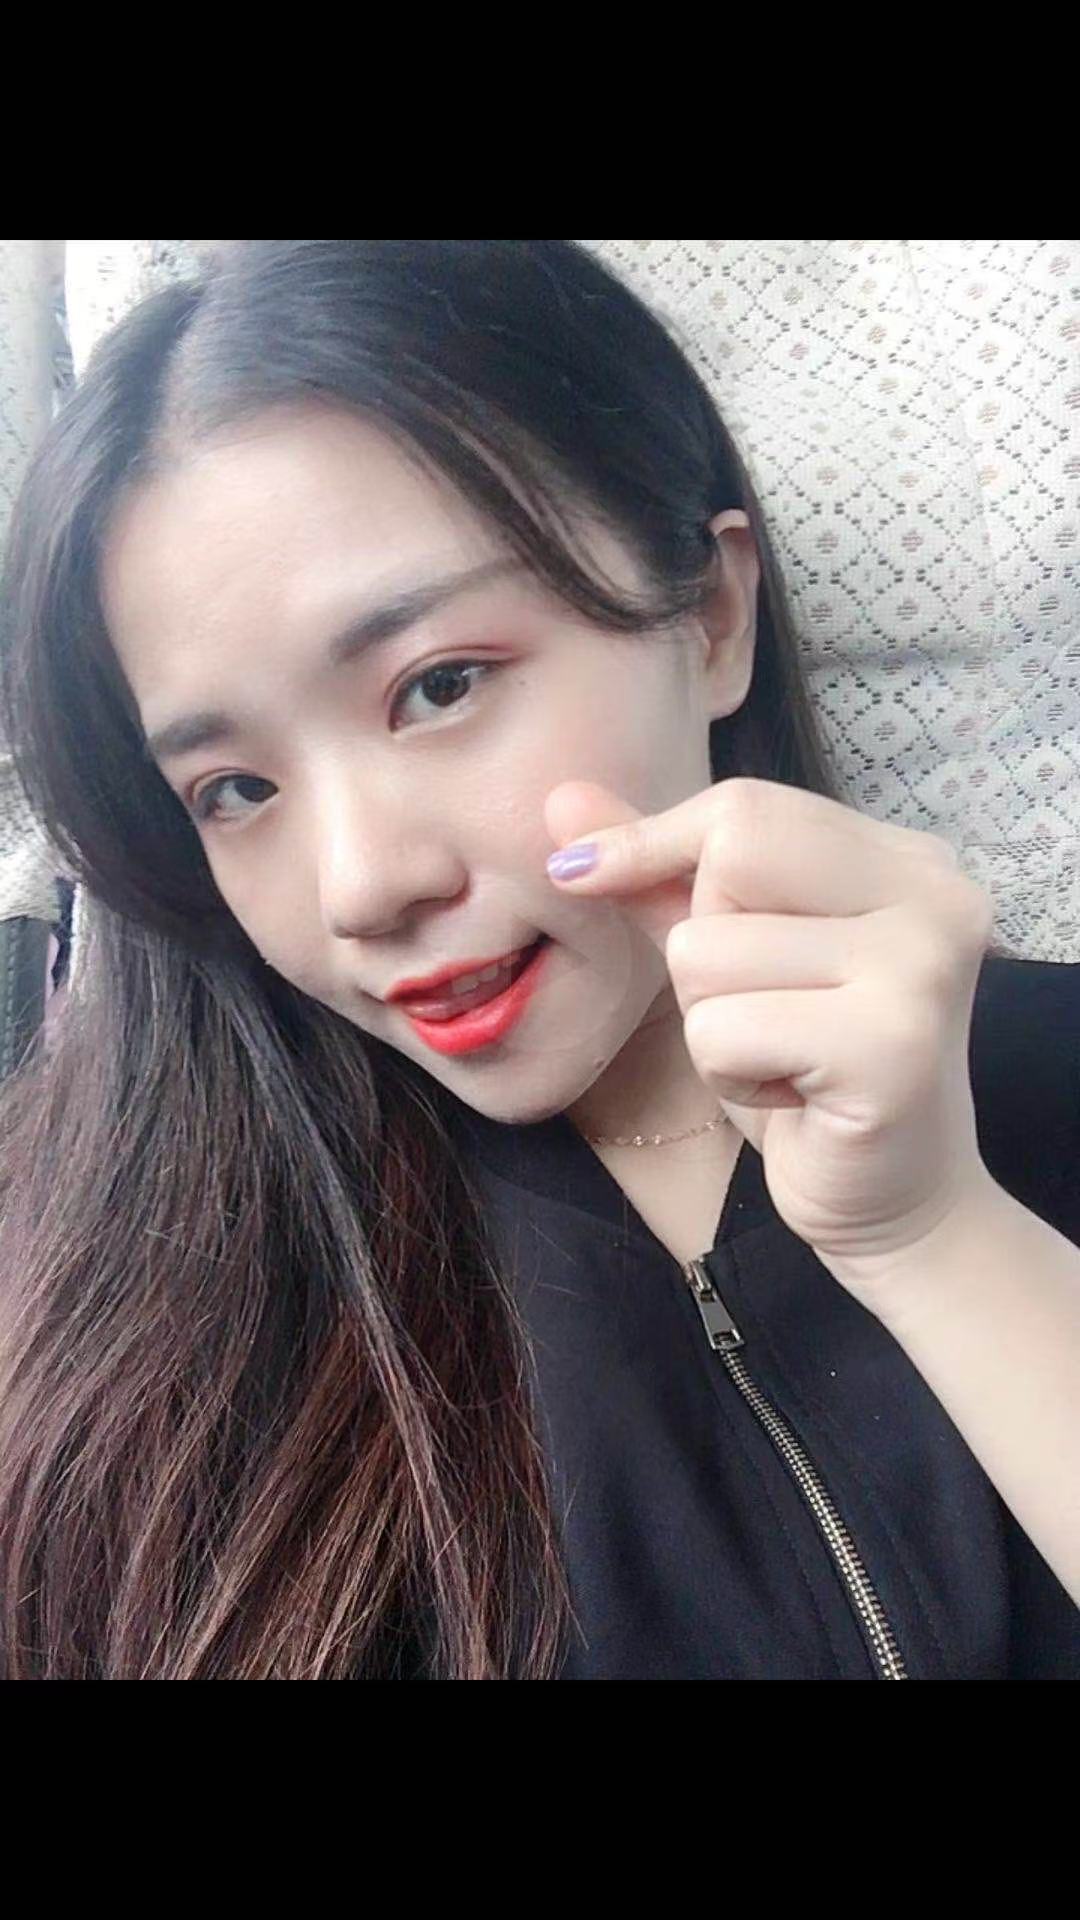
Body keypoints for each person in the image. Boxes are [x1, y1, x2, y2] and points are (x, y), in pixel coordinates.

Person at [0, 239, 1077, 1681]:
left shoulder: (1049, 1079)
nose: (360, 885)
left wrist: (939, 1239)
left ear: (710, 617)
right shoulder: (142, 1315)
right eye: (235, 790)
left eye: (439, 686)